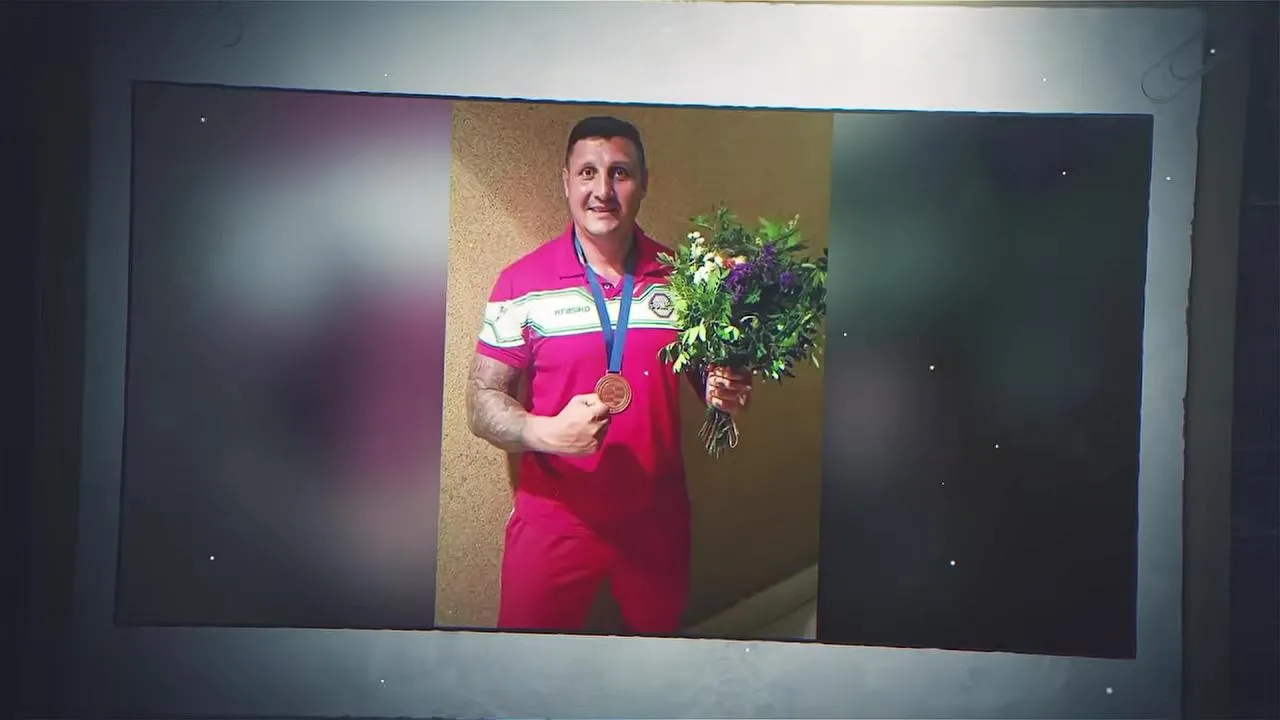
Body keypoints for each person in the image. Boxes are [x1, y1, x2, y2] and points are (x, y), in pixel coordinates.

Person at [466, 115, 753, 634]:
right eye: (588, 172)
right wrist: (543, 432)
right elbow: (482, 399)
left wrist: (725, 391)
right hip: (554, 521)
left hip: (657, 521)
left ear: (643, 183)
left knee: (654, 660)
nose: (602, 190)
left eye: (620, 172)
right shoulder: (520, 283)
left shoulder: (685, 279)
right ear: (566, 181)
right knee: (525, 666)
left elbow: (708, 380)